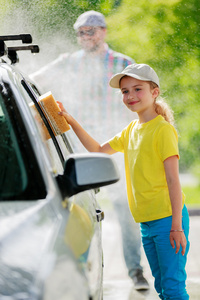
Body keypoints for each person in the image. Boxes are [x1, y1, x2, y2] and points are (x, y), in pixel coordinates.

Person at [31, 11, 149, 290]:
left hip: (117, 147)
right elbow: (33, 82)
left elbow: (142, 103)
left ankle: (136, 271)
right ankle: (77, 274)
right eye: (81, 32)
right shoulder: (68, 63)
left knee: (126, 212)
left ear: (104, 32)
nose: (86, 36)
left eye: (91, 31)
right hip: (78, 149)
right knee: (78, 212)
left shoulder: (124, 64)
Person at [57, 63, 190, 300]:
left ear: (154, 91)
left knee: (173, 288)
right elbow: (97, 149)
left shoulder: (163, 130)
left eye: (138, 89)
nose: (130, 96)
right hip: (146, 223)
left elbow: (173, 181)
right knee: (161, 286)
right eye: (125, 91)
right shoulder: (131, 130)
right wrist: (70, 120)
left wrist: (177, 226)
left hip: (168, 220)